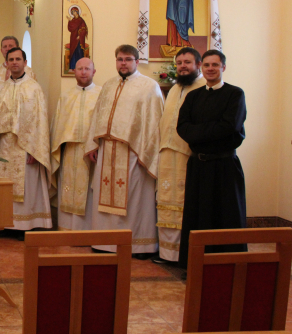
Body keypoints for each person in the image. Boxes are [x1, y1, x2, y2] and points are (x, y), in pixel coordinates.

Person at [84, 45, 163, 256]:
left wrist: (147, 152)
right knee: (103, 197)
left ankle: (138, 245)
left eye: (128, 59)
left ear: (136, 61)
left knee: (134, 198)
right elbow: (97, 115)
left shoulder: (149, 86)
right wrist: (93, 144)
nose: (123, 63)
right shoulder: (109, 85)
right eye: (120, 59)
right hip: (107, 151)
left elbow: (155, 123)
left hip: (133, 153)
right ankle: (104, 243)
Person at [177, 50, 247, 268]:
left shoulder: (235, 94)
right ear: (201, 67)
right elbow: (182, 127)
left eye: (215, 65)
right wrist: (208, 131)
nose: (210, 69)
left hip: (224, 165)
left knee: (227, 215)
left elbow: (230, 126)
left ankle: (229, 264)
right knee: (197, 215)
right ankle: (195, 265)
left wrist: (197, 133)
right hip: (198, 165)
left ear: (223, 67)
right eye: (206, 65)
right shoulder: (193, 96)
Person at [0, 48, 52, 239]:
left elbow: (40, 121)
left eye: (18, 59)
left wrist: (35, 150)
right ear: (6, 63)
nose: (14, 62)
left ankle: (26, 225)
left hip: (26, 148)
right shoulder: (2, 89)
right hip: (5, 146)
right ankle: (5, 223)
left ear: (25, 62)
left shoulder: (34, 88)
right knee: (4, 186)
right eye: (11, 59)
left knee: (27, 187)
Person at [153, 47, 206, 264]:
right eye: (180, 63)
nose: (183, 66)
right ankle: (167, 253)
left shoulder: (204, 88)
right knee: (165, 200)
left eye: (187, 62)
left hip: (187, 154)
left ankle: (184, 254)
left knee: (185, 204)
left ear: (198, 65)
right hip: (167, 152)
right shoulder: (175, 88)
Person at [50, 58, 101, 231]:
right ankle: (66, 230)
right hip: (69, 151)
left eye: (87, 68)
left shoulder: (101, 94)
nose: (83, 72)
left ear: (94, 72)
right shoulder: (66, 96)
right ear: (74, 72)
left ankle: (87, 232)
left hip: (92, 152)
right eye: (80, 68)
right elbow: (58, 125)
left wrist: (96, 145)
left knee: (90, 191)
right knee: (67, 188)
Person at [0, 36, 36, 110]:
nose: (8, 49)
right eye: (5, 47)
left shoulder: (28, 72)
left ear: (18, 48)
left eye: (11, 46)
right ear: (1, 50)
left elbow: (33, 97)